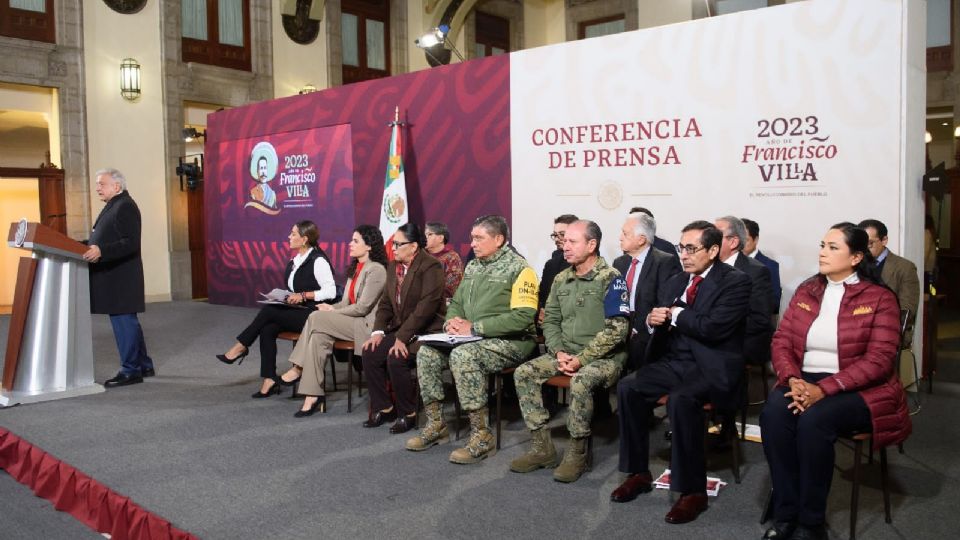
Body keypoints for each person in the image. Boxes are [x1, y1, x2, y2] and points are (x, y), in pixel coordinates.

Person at [760, 222, 911, 540]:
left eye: (832, 247)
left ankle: (811, 523)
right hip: (804, 380)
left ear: (856, 257)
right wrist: (792, 379)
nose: (822, 252)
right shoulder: (808, 289)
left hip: (860, 388)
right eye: (821, 245)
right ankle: (786, 513)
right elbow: (782, 339)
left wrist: (823, 389)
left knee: (815, 421)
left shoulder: (880, 298)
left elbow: (879, 361)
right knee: (773, 414)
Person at [611, 221, 751, 525]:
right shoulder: (675, 281)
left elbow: (713, 328)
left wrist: (676, 314)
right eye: (681, 247)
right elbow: (659, 322)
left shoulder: (736, 281)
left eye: (692, 248)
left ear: (713, 251)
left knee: (681, 400)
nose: (684, 255)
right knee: (628, 388)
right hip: (675, 361)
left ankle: (693, 491)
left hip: (711, 364)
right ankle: (638, 473)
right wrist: (652, 319)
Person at [406, 215, 539, 464]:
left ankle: (482, 436)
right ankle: (436, 425)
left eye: (479, 238)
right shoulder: (474, 266)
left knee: (464, 356)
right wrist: (452, 321)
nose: (473, 243)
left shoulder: (521, 269)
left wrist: (475, 328)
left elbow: (523, 317)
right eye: (472, 238)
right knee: (427, 353)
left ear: (498, 239)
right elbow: (456, 303)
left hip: (513, 341)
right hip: (473, 338)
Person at [511, 220, 629, 482]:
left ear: (591, 245)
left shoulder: (611, 278)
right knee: (524, 373)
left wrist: (582, 359)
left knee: (582, 380)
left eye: (572, 241)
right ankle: (542, 448)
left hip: (604, 357)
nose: (565, 246)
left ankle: (578, 452)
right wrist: (558, 351)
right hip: (567, 353)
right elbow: (550, 320)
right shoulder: (561, 278)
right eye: (564, 241)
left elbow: (617, 330)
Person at [217, 221, 337, 398]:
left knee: (269, 311)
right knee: (267, 328)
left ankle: (242, 345)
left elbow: (330, 291)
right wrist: (285, 296)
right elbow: (295, 288)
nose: (289, 237)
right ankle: (269, 378)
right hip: (298, 310)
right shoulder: (295, 261)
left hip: (314, 315)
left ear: (304, 239)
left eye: (293, 234)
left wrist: (304, 296)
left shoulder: (318, 260)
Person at [278, 225, 388, 416]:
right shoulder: (356, 268)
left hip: (365, 326)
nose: (350, 244)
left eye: (355, 241)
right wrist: (331, 308)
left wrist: (331, 313)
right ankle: (312, 395)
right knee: (318, 336)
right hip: (350, 321)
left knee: (315, 316)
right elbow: (345, 302)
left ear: (369, 246)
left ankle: (297, 367)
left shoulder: (376, 270)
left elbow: (363, 308)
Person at [361, 223, 446, 433]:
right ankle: (385, 407)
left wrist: (401, 338)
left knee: (396, 357)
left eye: (399, 244)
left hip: (426, 331)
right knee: (370, 351)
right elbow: (385, 304)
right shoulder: (393, 266)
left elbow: (425, 309)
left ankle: (407, 413)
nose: (394, 248)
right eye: (393, 243)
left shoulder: (430, 267)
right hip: (402, 329)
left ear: (414, 246)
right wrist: (378, 332)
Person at [83, 168, 154, 388]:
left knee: (124, 323)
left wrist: (102, 250)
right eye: (97, 184)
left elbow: (130, 243)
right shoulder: (115, 205)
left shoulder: (125, 207)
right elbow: (104, 236)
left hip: (122, 277)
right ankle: (143, 364)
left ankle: (130, 370)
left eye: (101, 184)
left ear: (117, 186)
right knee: (127, 322)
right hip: (116, 276)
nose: (97, 188)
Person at [613, 212, 682, 370]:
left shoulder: (665, 261)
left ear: (641, 239)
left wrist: (638, 328)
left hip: (647, 332)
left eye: (625, 233)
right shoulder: (619, 262)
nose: (620, 237)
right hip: (620, 328)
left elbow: (663, 303)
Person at [716, 216, 773, 366]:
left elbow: (759, 319)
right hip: (711, 333)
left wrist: (719, 328)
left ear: (733, 242)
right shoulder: (706, 266)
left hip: (742, 338)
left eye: (715, 236)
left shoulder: (756, 271)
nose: (708, 240)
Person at [858, 219, 920, 343]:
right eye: (861, 244)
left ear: (884, 240)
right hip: (857, 329)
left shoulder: (904, 267)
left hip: (889, 330)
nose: (865, 249)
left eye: (870, 243)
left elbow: (907, 310)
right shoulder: (855, 263)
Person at [538, 214, 578, 324]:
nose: (557, 239)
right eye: (555, 235)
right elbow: (543, 296)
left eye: (562, 234)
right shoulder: (550, 265)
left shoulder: (589, 264)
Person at [742, 218, 782, 313]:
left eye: (745, 240)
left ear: (755, 240)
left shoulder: (769, 266)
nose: (740, 245)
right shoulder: (726, 261)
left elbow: (775, 303)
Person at [424, 221, 464, 301]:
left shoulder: (452, 257)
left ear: (441, 238)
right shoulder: (419, 255)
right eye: (424, 235)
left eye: (429, 234)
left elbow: (452, 286)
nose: (425, 237)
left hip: (443, 303)